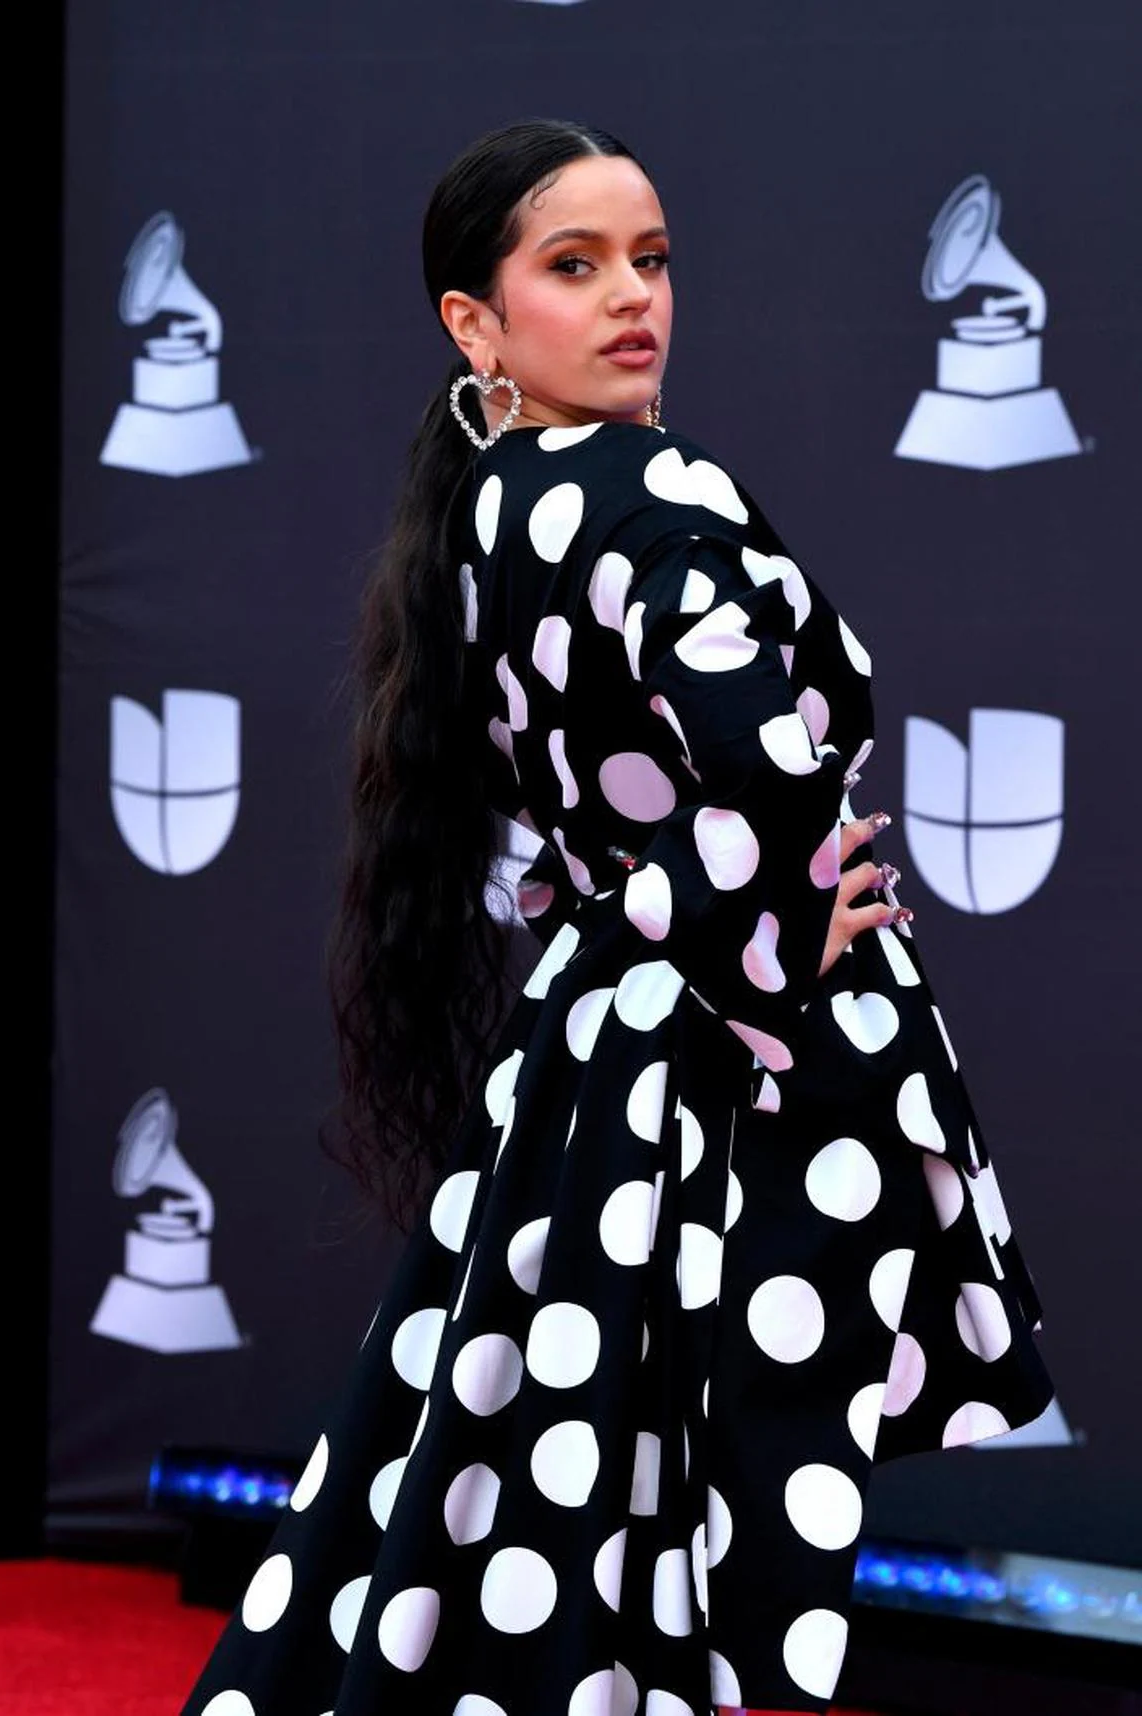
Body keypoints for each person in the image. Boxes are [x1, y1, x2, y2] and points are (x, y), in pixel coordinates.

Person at [179, 119, 1056, 1716]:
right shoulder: (646, 483)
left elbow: (567, 811)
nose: (632, 299)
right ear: (476, 320)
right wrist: (788, 950)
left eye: (649, 260)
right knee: (674, 1496)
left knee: (535, 1480)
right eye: (574, 267)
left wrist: (673, 913)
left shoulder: (491, 506)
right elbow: (751, 756)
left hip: (594, 1042)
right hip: (719, 1065)